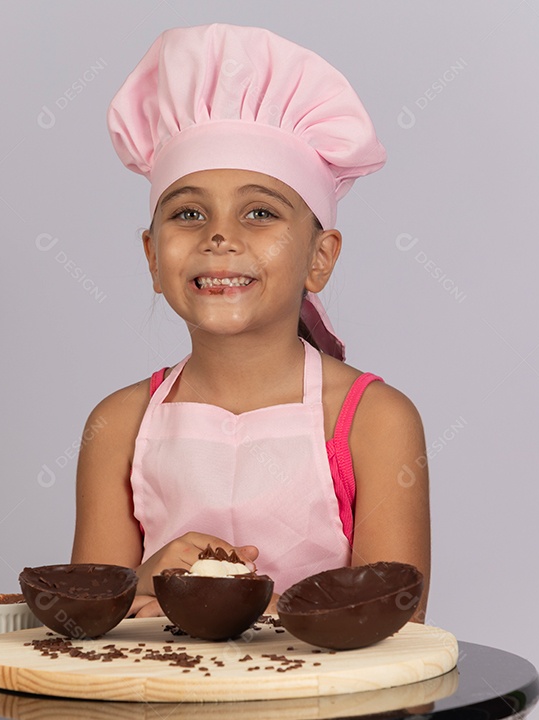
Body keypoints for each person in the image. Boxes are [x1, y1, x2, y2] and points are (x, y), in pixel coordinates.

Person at [71, 23, 430, 622]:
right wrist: (143, 581)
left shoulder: (373, 422)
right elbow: (83, 634)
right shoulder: (118, 426)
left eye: (260, 212)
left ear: (320, 258)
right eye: (188, 212)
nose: (220, 236)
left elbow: (396, 636)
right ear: (153, 258)